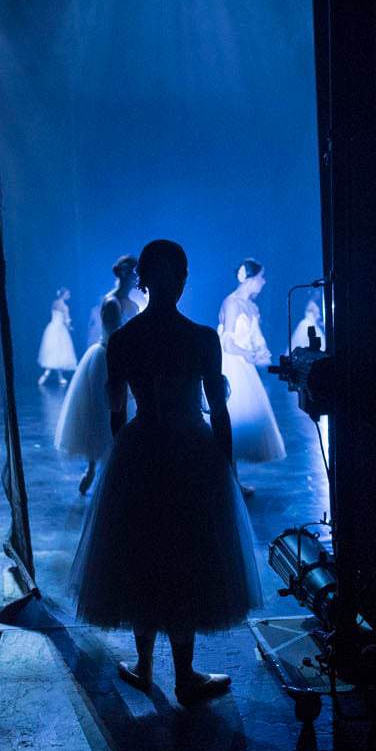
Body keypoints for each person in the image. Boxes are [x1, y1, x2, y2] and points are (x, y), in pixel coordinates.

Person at [70, 239, 262, 704]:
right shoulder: (200, 338)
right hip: (190, 449)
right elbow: (218, 411)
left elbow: (117, 411)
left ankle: (143, 664)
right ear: (181, 280)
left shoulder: (124, 341)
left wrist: (125, 455)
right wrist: (226, 466)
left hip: (142, 448)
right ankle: (184, 674)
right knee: (186, 552)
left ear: (143, 281)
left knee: (140, 551)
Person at [218, 258, 286, 495]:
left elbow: (255, 338)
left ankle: (233, 481)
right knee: (232, 420)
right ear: (249, 279)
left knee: (238, 424)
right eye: (260, 277)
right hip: (232, 366)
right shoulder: (232, 303)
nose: (263, 282)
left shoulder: (252, 307)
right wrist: (248, 354)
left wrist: (261, 353)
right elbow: (226, 342)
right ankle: (228, 481)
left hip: (245, 365)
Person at [56, 298, 127, 494]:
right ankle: (95, 468)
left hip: (107, 357)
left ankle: (96, 469)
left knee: (103, 414)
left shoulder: (116, 319)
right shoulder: (112, 324)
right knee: (99, 413)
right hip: (104, 358)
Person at [86, 254, 143, 348]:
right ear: (125, 274)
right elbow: (114, 337)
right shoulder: (112, 302)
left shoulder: (131, 302)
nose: (139, 278)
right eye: (136, 274)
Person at [37, 287, 77, 385]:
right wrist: (70, 327)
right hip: (60, 330)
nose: (69, 296)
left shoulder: (54, 303)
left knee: (54, 353)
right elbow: (67, 320)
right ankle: (51, 375)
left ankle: (56, 376)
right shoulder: (65, 307)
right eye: (68, 294)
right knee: (59, 352)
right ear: (64, 295)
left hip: (51, 328)